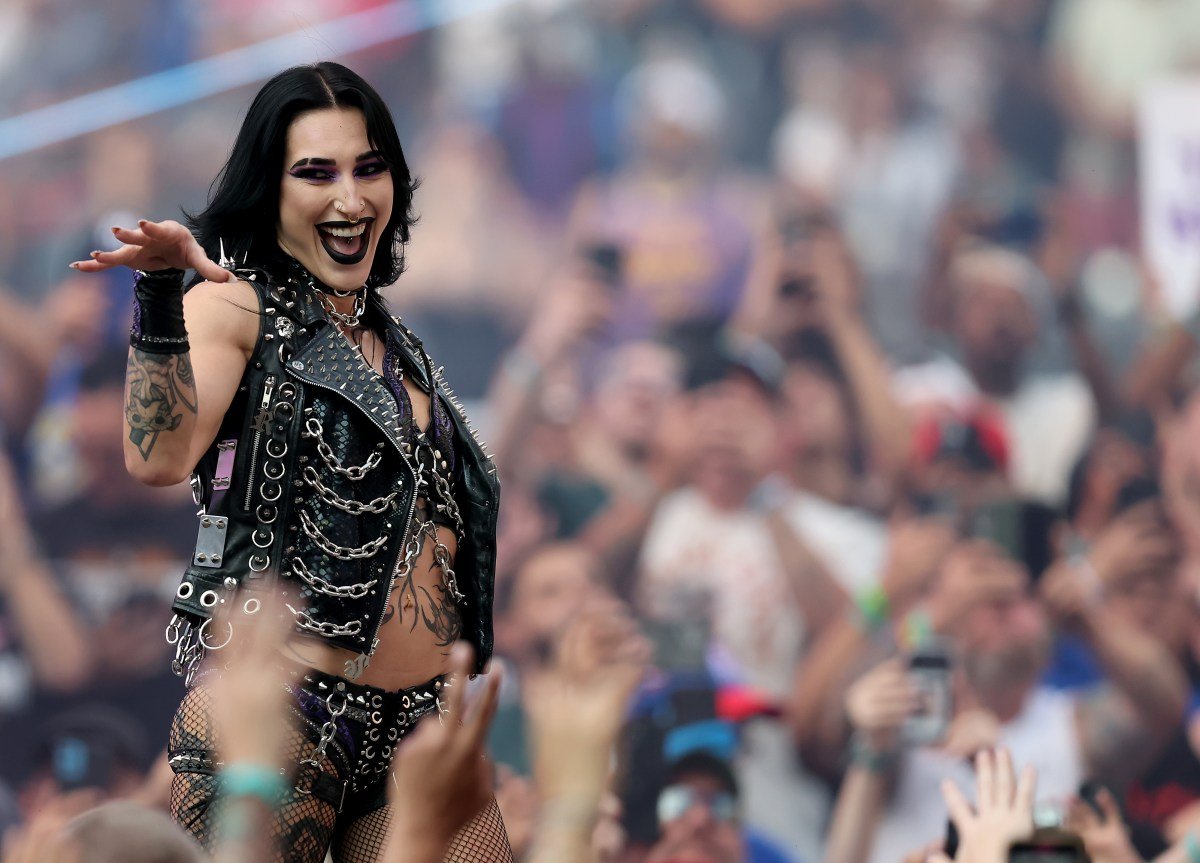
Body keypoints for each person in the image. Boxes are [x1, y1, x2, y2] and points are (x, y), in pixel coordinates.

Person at [70, 62, 506, 862]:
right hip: (281, 710)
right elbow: (156, 457)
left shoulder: (398, 345)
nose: (349, 197)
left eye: (369, 168)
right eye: (317, 173)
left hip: (416, 725)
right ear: (269, 189)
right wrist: (163, 296)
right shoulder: (237, 302)